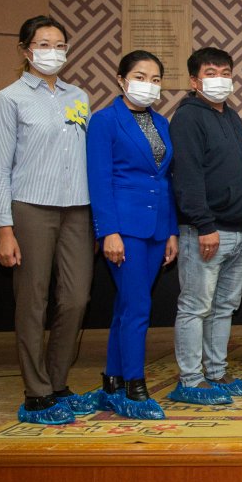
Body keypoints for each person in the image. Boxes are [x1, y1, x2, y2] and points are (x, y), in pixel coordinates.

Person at [0, 16, 97, 424]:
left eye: (59, 45)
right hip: (31, 208)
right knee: (33, 301)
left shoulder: (78, 97)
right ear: (25, 49)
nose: (53, 52)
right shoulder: (9, 98)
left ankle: (57, 381)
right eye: (43, 44)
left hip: (78, 209)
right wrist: (4, 228)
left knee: (76, 297)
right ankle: (37, 392)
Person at [86, 50, 178, 420]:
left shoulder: (161, 122)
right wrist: (108, 232)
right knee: (138, 306)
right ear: (121, 79)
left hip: (157, 228)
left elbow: (164, 180)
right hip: (124, 228)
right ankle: (134, 385)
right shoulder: (104, 121)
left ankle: (112, 379)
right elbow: (99, 180)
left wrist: (171, 231)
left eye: (155, 79)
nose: (148, 85)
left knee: (127, 305)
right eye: (140, 77)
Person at [168, 47, 242, 405]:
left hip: (238, 229)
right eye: (210, 73)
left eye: (225, 73)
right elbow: (187, 177)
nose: (219, 79)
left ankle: (216, 372)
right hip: (206, 231)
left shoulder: (231, 116)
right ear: (194, 80)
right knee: (195, 306)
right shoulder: (188, 118)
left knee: (224, 307)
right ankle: (191, 379)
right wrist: (204, 225)